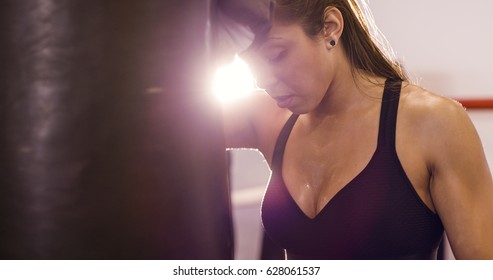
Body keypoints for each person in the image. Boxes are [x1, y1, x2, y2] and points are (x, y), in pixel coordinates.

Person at [220, 0, 493, 259]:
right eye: (249, 63)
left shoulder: (433, 122)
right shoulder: (269, 118)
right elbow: (178, 127)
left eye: (276, 55)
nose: (262, 80)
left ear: (330, 26)